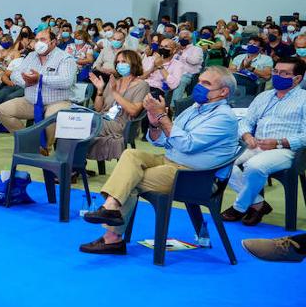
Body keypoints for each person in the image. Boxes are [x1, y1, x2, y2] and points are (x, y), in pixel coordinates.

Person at [79, 67, 240, 255]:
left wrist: (163, 116)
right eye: (199, 81)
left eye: (206, 83)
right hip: (170, 161)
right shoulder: (194, 108)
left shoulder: (224, 117)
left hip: (195, 176)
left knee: (129, 180)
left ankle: (112, 236)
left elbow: (187, 144)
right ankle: (111, 208)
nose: (199, 86)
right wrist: (155, 123)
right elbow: (161, 141)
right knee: (131, 155)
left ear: (223, 92)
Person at [220, 57, 306, 226]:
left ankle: (239, 207)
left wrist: (279, 142)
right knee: (221, 162)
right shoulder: (264, 96)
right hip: (256, 144)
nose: (277, 75)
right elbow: (245, 122)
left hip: (286, 150)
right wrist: (247, 136)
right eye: (275, 71)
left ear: (297, 78)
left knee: (254, 166)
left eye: (284, 73)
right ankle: (258, 204)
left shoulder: (304, 99)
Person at [0, 27, 78, 145]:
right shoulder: (31, 56)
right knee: (2, 111)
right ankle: (29, 141)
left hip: (57, 101)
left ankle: (46, 147)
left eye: (43, 39)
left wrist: (41, 79)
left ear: (53, 42)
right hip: (31, 101)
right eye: (37, 40)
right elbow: (14, 74)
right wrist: (26, 81)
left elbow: (66, 81)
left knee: (50, 117)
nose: (39, 43)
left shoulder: (65, 58)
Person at [86, 49, 150, 163]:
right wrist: (100, 91)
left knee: (81, 126)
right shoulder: (114, 81)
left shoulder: (142, 85)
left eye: (124, 62)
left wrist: (115, 92)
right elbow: (98, 108)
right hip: (103, 118)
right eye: (118, 62)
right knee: (74, 124)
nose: (120, 65)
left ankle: (76, 165)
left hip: (122, 123)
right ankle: (77, 165)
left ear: (134, 63)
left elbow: (134, 111)